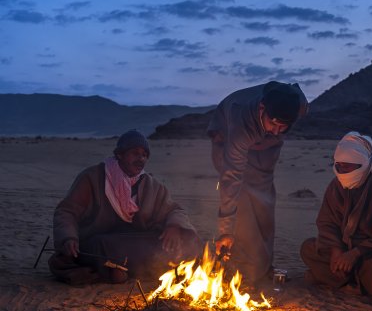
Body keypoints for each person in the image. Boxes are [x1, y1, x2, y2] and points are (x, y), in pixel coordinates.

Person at [49, 130, 202, 285]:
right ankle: (119, 270)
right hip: (102, 243)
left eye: (144, 155)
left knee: (184, 241)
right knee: (101, 247)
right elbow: (66, 211)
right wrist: (68, 237)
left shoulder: (151, 185)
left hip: (133, 244)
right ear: (120, 155)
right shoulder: (92, 178)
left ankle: (122, 269)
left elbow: (175, 210)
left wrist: (174, 226)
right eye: (135, 153)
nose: (140, 159)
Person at [207, 81, 308, 286]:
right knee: (242, 197)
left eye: (284, 127)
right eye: (275, 123)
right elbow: (231, 178)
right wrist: (225, 229)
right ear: (262, 109)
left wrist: (273, 131)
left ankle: (263, 265)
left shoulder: (299, 105)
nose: (278, 130)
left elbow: (277, 129)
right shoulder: (240, 120)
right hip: (226, 136)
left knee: (264, 200)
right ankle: (242, 264)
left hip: (266, 147)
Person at [300, 131, 372, 296]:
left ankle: (342, 279)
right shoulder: (336, 186)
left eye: (348, 166)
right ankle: (355, 279)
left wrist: (357, 253)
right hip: (345, 249)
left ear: (364, 164)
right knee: (308, 248)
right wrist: (336, 250)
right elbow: (327, 223)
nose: (342, 170)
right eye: (339, 165)